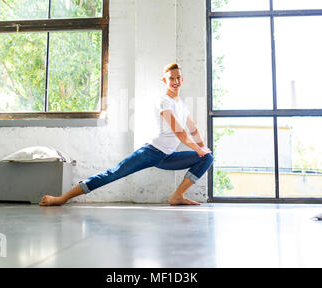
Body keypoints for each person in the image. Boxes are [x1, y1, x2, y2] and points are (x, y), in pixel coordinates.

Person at [39, 63, 214, 206]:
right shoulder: (164, 102)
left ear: (182, 79)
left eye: (178, 78)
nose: (175, 81)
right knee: (114, 173)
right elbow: (180, 133)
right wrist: (197, 148)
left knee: (207, 158)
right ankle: (62, 198)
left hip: (169, 156)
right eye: (171, 78)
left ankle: (177, 196)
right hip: (151, 152)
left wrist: (202, 147)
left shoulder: (181, 104)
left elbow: (193, 129)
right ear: (164, 80)